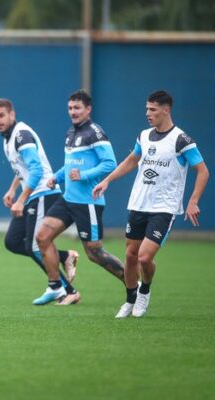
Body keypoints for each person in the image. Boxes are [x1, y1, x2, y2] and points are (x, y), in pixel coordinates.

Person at [92, 90, 209, 318]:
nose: (148, 113)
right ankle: (129, 300)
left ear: (166, 110)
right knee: (130, 256)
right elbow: (131, 161)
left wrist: (193, 201)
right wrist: (107, 180)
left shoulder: (181, 140)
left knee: (145, 257)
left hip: (164, 208)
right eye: (147, 109)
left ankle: (144, 290)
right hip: (138, 203)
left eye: (153, 109)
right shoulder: (144, 136)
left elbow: (203, 171)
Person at [35, 89, 125, 304]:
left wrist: (84, 175)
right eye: (70, 108)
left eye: (77, 108)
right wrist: (57, 177)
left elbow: (110, 164)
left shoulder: (95, 132)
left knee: (95, 254)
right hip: (68, 199)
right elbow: (70, 165)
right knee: (42, 238)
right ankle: (60, 289)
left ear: (88, 109)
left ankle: (135, 285)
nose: (73, 112)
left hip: (88, 203)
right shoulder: (71, 133)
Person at [0, 98, 80, 305]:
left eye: (1, 115)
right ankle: (64, 257)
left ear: (12, 114)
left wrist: (20, 199)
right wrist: (12, 189)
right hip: (32, 196)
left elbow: (37, 169)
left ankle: (66, 290)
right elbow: (22, 167)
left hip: (43, 195)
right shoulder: (8, 138)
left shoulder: (21, 135)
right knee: (13, 242)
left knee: (36, 246)